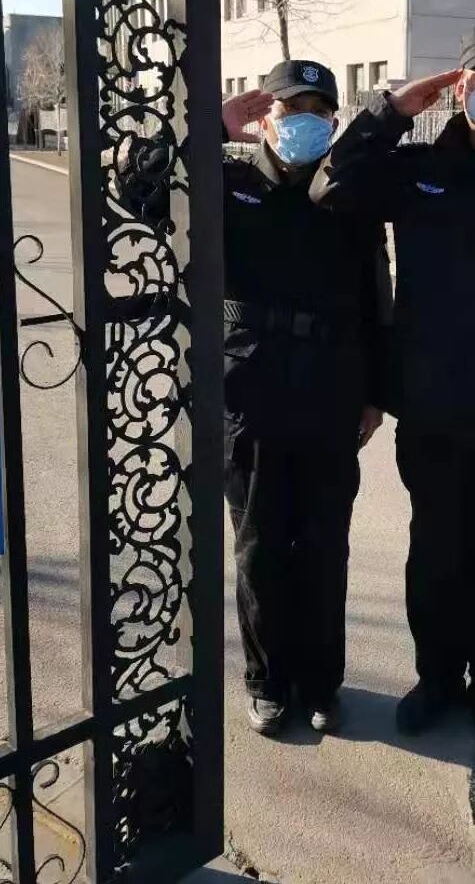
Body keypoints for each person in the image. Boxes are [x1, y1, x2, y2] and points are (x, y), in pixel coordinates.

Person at [117, 60, 391, 737]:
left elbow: (375, 298)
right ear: (265, 117)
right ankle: (267, 680)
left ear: (333, 120)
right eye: (291, 107)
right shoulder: (226, 183)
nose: (304, 120)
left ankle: (321, 682)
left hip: (330, 392)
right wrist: (208, 127)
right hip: (251, 391)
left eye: (318, 110)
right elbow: (138, 193)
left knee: (324, 547)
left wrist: (375, 393)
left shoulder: (348, 196)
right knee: (260, 547)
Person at [311, 22, 475, 749]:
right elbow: (333, 186)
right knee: (438, 555)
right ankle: (438, 679)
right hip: (435, 407)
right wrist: (391, 111)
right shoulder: (422, 169)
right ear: (461, 87)